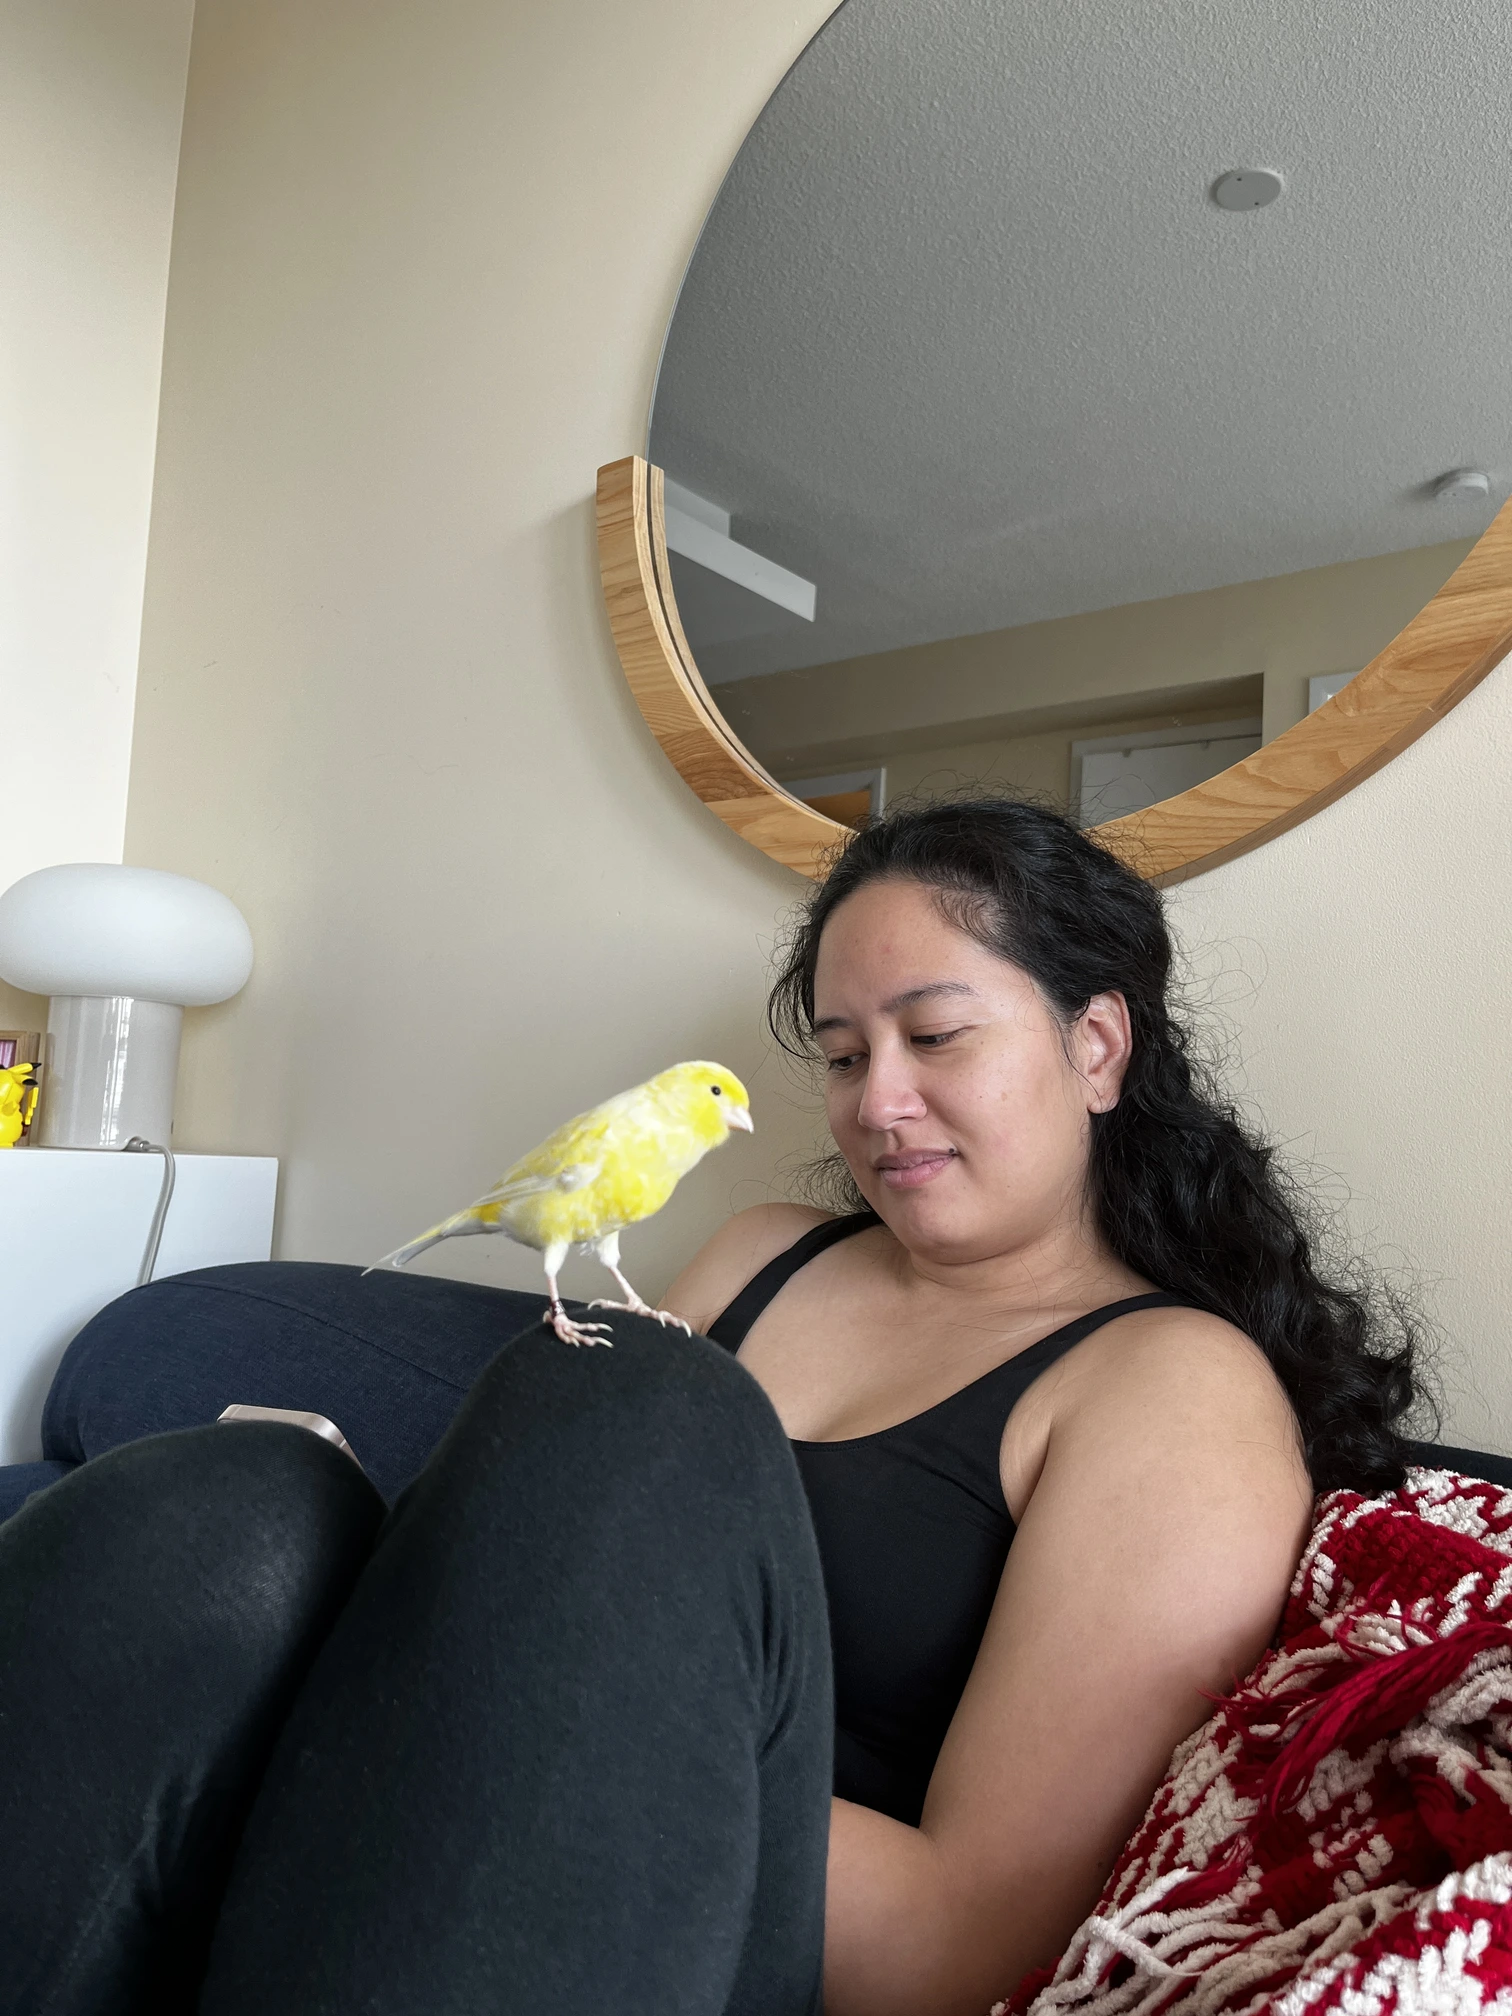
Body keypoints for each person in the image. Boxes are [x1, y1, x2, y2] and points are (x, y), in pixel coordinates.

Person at [0, 798, 1420, 2016]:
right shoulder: (760, 1254)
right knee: (236, 1500)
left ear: (1097, 1048)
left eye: (936, 1036)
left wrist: (557, 1738)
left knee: (639, 1410)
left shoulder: (1173, 1385)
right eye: (847, 1055)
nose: (878, 1104)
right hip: (435, 1824)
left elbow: (962, 1941)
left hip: (713, 1932)